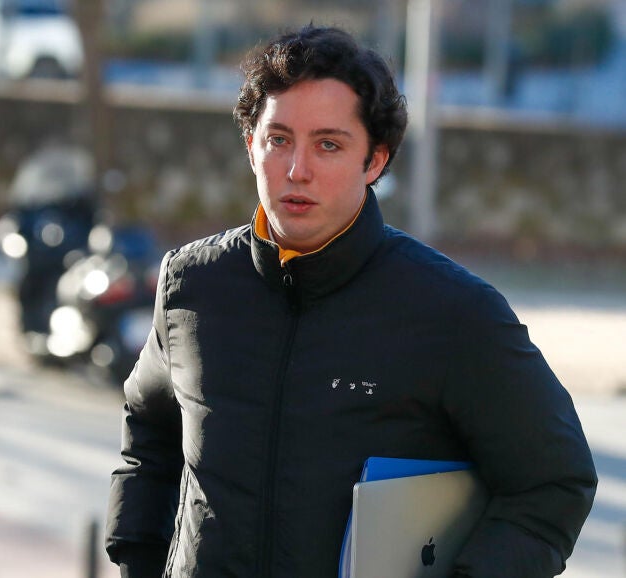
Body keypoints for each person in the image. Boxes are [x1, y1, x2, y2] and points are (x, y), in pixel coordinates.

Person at [104, 25, 597, 578]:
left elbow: (555, 482)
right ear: (251, 145)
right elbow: (148, 432)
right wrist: (137, 559)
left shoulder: (452, 312)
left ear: (375, 161)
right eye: (278, 139)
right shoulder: (192, 284)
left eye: (328, 145)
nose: (297, 170)